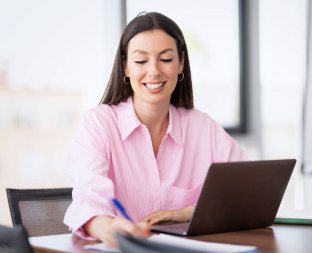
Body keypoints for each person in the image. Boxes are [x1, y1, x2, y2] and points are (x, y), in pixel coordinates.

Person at [63, 12, 247, 246]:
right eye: (141, 61)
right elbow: (88, 198)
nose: (154, 71)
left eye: (166, 59)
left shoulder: (202, 127)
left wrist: (189, 212)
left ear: (180, 64)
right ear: (126, 67)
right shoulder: (98, 124)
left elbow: (245, 192)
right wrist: (109, 228)